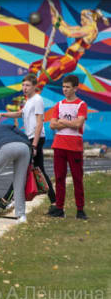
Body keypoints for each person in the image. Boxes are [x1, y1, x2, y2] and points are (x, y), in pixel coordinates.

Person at [0, 74, 56, 213]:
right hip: (32, 138)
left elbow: (40, 123)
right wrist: (3, 114)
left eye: (27, 85)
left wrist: (34, 145)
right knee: (40, 171)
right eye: (23, 85)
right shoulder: (29, 101)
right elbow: (20, 114)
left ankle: (5, 200)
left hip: (36, 139)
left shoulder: (37, 100)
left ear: (34, 86)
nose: (24, 88)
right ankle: (55, 202)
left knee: (22, 169)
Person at [29, 4, 109, 91]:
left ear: (89, 19)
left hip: (70, 61)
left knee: (44, 77)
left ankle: (29, 96)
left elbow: (70, 33)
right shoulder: (84, 28)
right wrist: (57, 18)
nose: (81, 21)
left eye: (83, 19)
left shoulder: (91, 29)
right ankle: (30, 85)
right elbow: (68, 27)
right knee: (35, 65)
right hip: (66, 58)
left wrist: (58, 24)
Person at [48, 75, 88, 219]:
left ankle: (80, 209)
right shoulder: (59, 104)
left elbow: (78, 124)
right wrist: (67, 123)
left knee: (77, 178)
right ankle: (59, 208)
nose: (65, 89)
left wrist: (62, 122)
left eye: (68, 87)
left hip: (74, 146)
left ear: (75, 88)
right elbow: (52, 124)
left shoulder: (81, 105)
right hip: (59, 145)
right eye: (63, 87)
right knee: (59, 178)